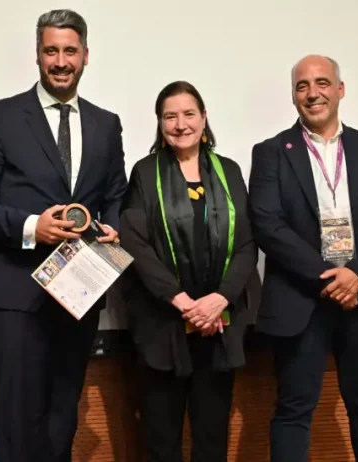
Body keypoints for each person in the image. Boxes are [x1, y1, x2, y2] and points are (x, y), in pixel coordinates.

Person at [0, 9, 127, 462]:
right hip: (17, 293)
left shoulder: (106, 123)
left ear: (86, 55)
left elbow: (115, 195)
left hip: (81, 290)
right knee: (17, 422)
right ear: (37, 55)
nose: (61, 61)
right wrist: (34, 227)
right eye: (51, 50)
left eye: (70, 51)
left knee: (62, 418)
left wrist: (113, 227)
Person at [248, 55, 358, 462]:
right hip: (301, 300)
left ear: (340, 90)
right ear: (293, 96)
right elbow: (268, 224)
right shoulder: (270, 152)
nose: (312, 93)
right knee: (293, 409)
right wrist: (331, 278)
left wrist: (356, 275)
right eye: (302, 86)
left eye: (322, 82)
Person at [119, 81, 259, 462]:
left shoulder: (229, 172)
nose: (180, 125)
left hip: (219, 329)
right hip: (164, 327)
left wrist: (219, 300)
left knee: (212, 443)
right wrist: (183, 303)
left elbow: (247, 244)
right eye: (170, 117)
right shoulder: (145, 173)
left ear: (204, 117)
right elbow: (135, 245)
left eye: (188, 114)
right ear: (160, 123)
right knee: (161, 444)